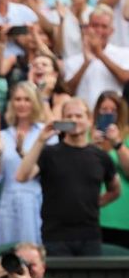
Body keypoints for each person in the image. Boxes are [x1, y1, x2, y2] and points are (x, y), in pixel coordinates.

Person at [17, 98, 120, 257]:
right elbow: (22, 176)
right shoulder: (49, 153)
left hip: (90, 235)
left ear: (89, 120)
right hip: (55, 236)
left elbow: (115, 190)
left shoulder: (101, 156)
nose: (74, 120)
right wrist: (40, 139)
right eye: (69, 116)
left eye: (79, 116)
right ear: (62, 121)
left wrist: (94, 203)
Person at [0, 82, 52, 247]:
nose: (22, 104)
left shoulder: (46, 133)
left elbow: (48, 170)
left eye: (27, 99)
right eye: (17, 99)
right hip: (8, 201)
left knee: (34, 253)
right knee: (6, 253)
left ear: (34, 102)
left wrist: (21, 151)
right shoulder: (3, 135)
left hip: (36, 201)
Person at [64, 5, 129, 110]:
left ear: (111, 31)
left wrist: (100, 54)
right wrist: (85, 64)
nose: (99, 30)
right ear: (86, 28)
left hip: (114, 114)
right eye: (95, 25)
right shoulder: (73, 60)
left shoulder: (124, 53)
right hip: (84, 116)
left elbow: (126, 78)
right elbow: (67, 90)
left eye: (104, 27)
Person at [91, 91, 129, 249]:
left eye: (113, 110)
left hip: (122, 212)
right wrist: (93, 147)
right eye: (103, 109)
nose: (108, 113)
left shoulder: (126, 135)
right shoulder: (88, 135)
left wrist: (118, 144)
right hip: (94, 212)